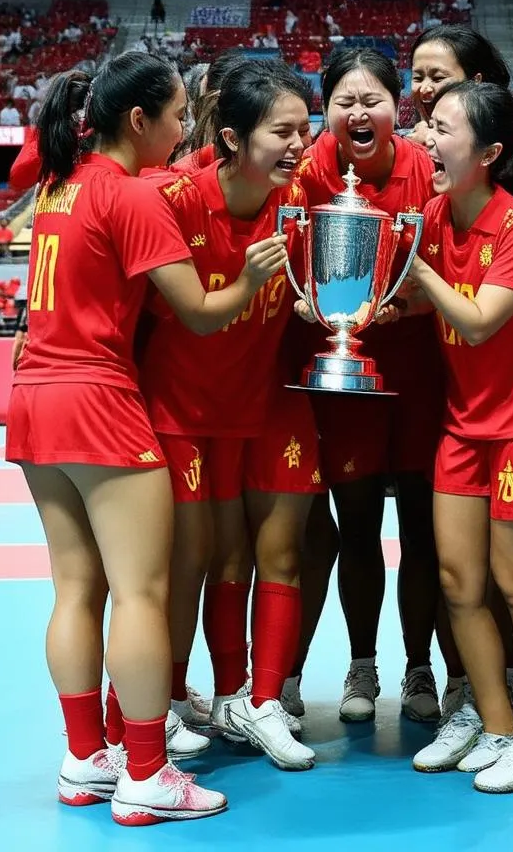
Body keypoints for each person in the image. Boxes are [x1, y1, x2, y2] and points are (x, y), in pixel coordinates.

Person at [6, 51, 277, 825]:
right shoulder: (131, 198)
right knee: (143, 592)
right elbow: (196, 309)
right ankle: (150, 774)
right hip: (98, 402)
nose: (184, 131)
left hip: (32, 402)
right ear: (139, 121)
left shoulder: (60, 185)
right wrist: (254, 278)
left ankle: (86, 759)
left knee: (75, 589)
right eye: (177, 118)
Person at [139, 60, 321, 771]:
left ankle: (259, 701)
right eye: (283, 131)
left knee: (273, 554)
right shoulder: (174, 199)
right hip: (182, 410)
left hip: (268, 399)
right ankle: (178, 699)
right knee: (198, 560)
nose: (300, 145)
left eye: (304, 130)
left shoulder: (300, 199)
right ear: (233, 138)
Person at [408, 23, 513, 725]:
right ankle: (495, 725)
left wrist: (417, 272)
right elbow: (420, 303)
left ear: (490, 151)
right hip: (462, 426)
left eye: (443, 128)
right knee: (458, 583)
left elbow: (478, 320)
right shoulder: (436, 213)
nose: (427, 138)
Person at [289, 48, 447, 725]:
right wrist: (306, 303)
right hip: (338, 372)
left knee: (421, 526)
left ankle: (420, 670)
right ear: (327, 110)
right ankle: (362, 663)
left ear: (398, 107)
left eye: (373, 98)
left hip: (419, 368)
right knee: (356, 525)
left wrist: (414, 306)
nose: (359, 112)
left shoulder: (428, 168)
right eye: (345, 101)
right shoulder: (304, 173)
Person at [409, 25, 513, 179]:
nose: (424, 89)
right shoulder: (405, 149)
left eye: (438, 78)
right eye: (417, 78)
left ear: (476, 81)